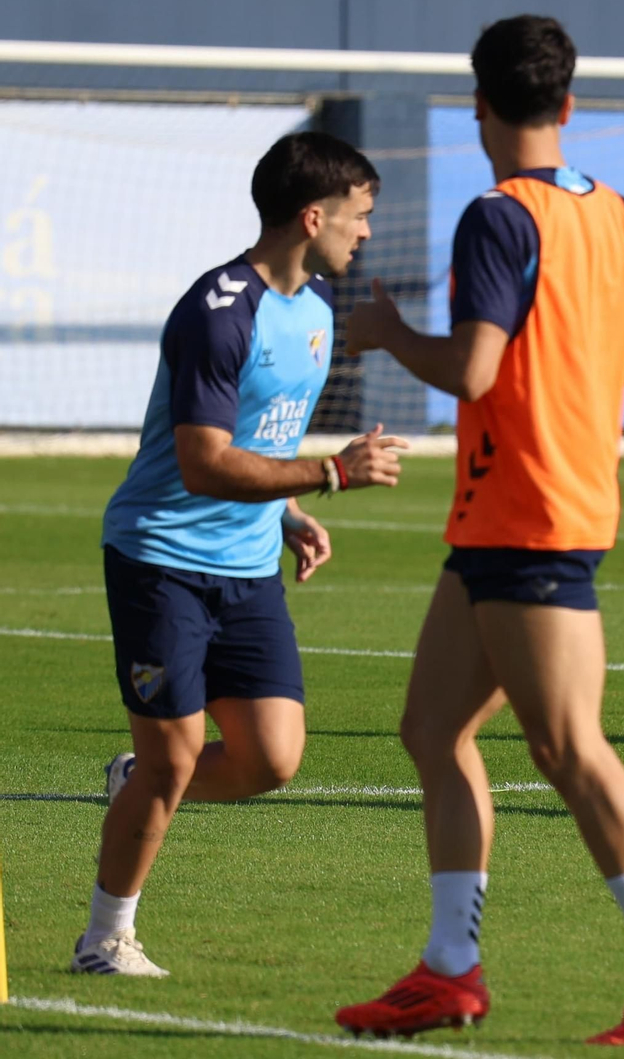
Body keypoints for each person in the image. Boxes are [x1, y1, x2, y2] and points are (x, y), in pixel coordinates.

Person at [331, 15, 624, 1046]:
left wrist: (382, 333)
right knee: (430, 730)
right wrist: (590, 372)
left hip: (532, 513)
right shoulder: (623, 215)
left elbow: (471, 369)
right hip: (512, 516)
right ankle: (449, 971)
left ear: (478, 108)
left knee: (568, 747)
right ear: (568, 104)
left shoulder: (499, 217)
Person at [77, 132, 406, 977]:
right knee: (175, 756)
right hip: (161, 560)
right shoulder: (217, 311)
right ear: (312, 215)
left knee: (272, 759)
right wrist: (333, 473)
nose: (366, 232)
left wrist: (291, 508)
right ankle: (105, 938)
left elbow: (263, 439)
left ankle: (137, 781)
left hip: (249, 566)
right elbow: (201, 460)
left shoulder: (316, 313)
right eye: (359, 216)